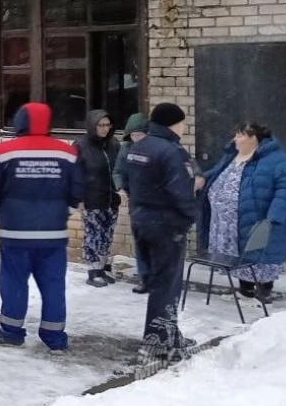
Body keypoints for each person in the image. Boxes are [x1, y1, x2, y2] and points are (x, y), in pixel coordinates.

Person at [0, 102, 84, 352]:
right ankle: (54, 336)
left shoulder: (4, 151)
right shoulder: (67, 152)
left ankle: (11, 332)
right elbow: (78, 187)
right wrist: (65, 212)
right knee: (53, 284)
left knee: (14, 282)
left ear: (20, 122)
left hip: (15, 232)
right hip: (53, 234)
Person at [122, 102, 200, 361]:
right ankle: (156, 341)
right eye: (182, 122)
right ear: (173, 123)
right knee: (167, 284)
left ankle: (171, 334)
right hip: (166, 225)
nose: (184, 127)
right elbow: (180, 192)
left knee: (160, 281)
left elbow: (131, 184)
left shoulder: (138, 147)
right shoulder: (171, 151)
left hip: (142, 221)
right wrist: (191, 215)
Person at [200, 122, 286, 304]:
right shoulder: (232, 155)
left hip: (258, 217)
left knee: (260, 253)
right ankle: (245, 291)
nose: (235, 139)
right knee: (239, 253)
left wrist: (273, 217)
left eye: (240, 135)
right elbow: (216, 173)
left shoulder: (278, 160)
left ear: (254, 138)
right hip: (228, 223)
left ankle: (264, 293)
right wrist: (199, 180)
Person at [75, 110, 121, 287]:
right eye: (101, 125)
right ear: (92, 126)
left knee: (107, 235)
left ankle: (102, 268)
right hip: (91, 199)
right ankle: (93, 271)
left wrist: (121, 189)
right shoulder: (81, 145)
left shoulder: (114, 144)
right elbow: (74, 174)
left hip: (111, 198)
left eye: (108, 125)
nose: (105, 129)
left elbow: (120, 170)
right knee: (93, 235)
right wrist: (78, 197)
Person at [113, 113, 151, 293]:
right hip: (136, 202)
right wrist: (120, 188)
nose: (136, 138)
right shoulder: (126, 149)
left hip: (156, 202)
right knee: (140, 240)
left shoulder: (156, 148)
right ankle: (145, 278)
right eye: (133, 135)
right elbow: (118, 171)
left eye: (140, 135)